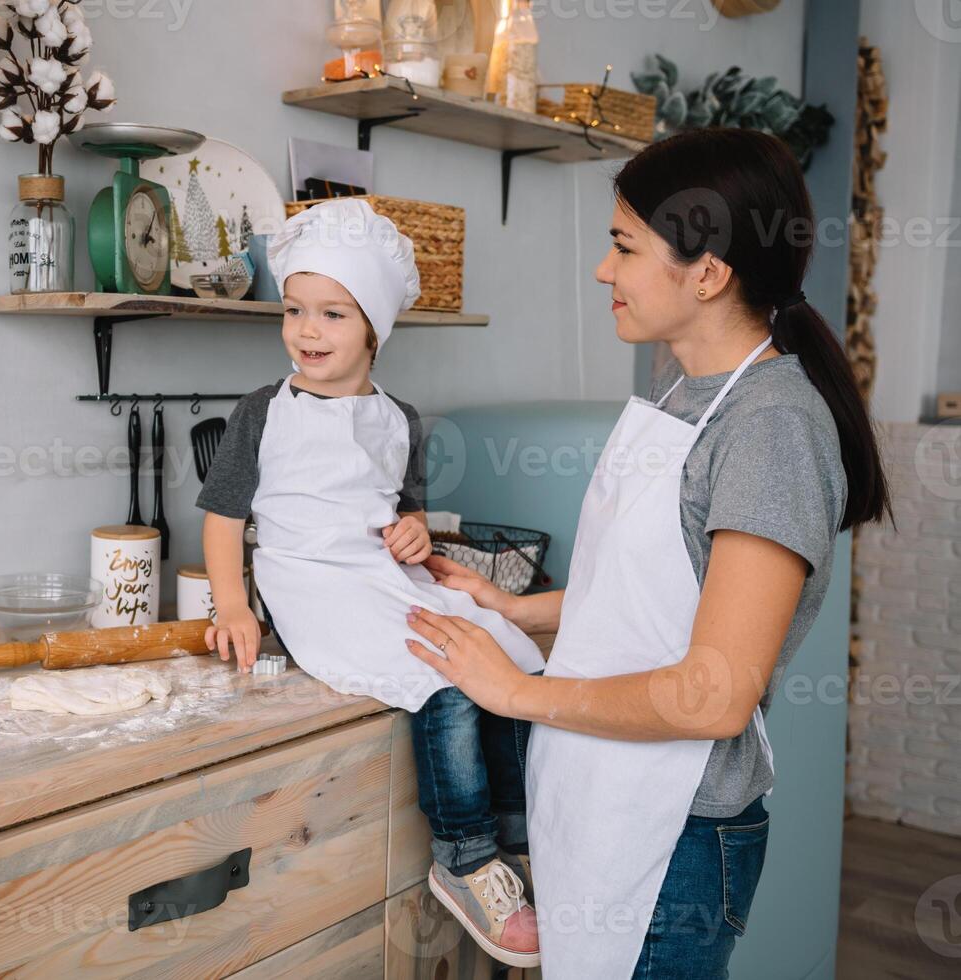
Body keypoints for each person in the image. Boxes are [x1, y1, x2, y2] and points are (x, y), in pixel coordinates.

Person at [404, 129, 890, 979]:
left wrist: (519, 691)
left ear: (708, 273)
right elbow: (657, 591)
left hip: (677, 839)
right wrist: (519, 609)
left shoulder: (771, 427)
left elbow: (714, 697)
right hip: (600, 802)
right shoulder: (677, 390)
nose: (604, 271)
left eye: (623, 247)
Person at [194, 199, 544, 967]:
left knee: (505, 653)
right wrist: (231, 603)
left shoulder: (400, 417)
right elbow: (223, 518)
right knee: (444, 677)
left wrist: (414, 533)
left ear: (374, 331)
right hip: (314, 584)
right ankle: (465, 855)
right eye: (293, 311)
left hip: (383, 577)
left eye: (332, 315)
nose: (307, 331)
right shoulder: (262, 412)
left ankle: (521, 839)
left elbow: (403, 513)